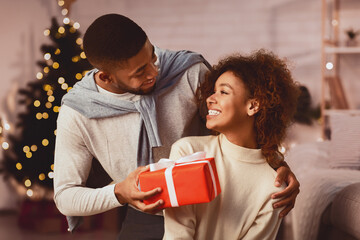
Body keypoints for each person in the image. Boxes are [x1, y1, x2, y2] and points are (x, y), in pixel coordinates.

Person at [53, 14, 299, 239]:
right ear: (106, 76)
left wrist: (275, 163)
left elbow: (242, 122)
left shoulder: (188, 72)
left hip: (212, 206)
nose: (154, 72)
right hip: (145, 219)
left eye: (152, 57)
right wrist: (119, 192)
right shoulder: (78, 112)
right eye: (140, 72)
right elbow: (65, 196)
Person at [163, 50, 300, 240]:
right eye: (213, 91)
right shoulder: (188, 152)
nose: (210, 99)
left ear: (253, 106)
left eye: (224, 92)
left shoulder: (274, 187)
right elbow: (177, 234)